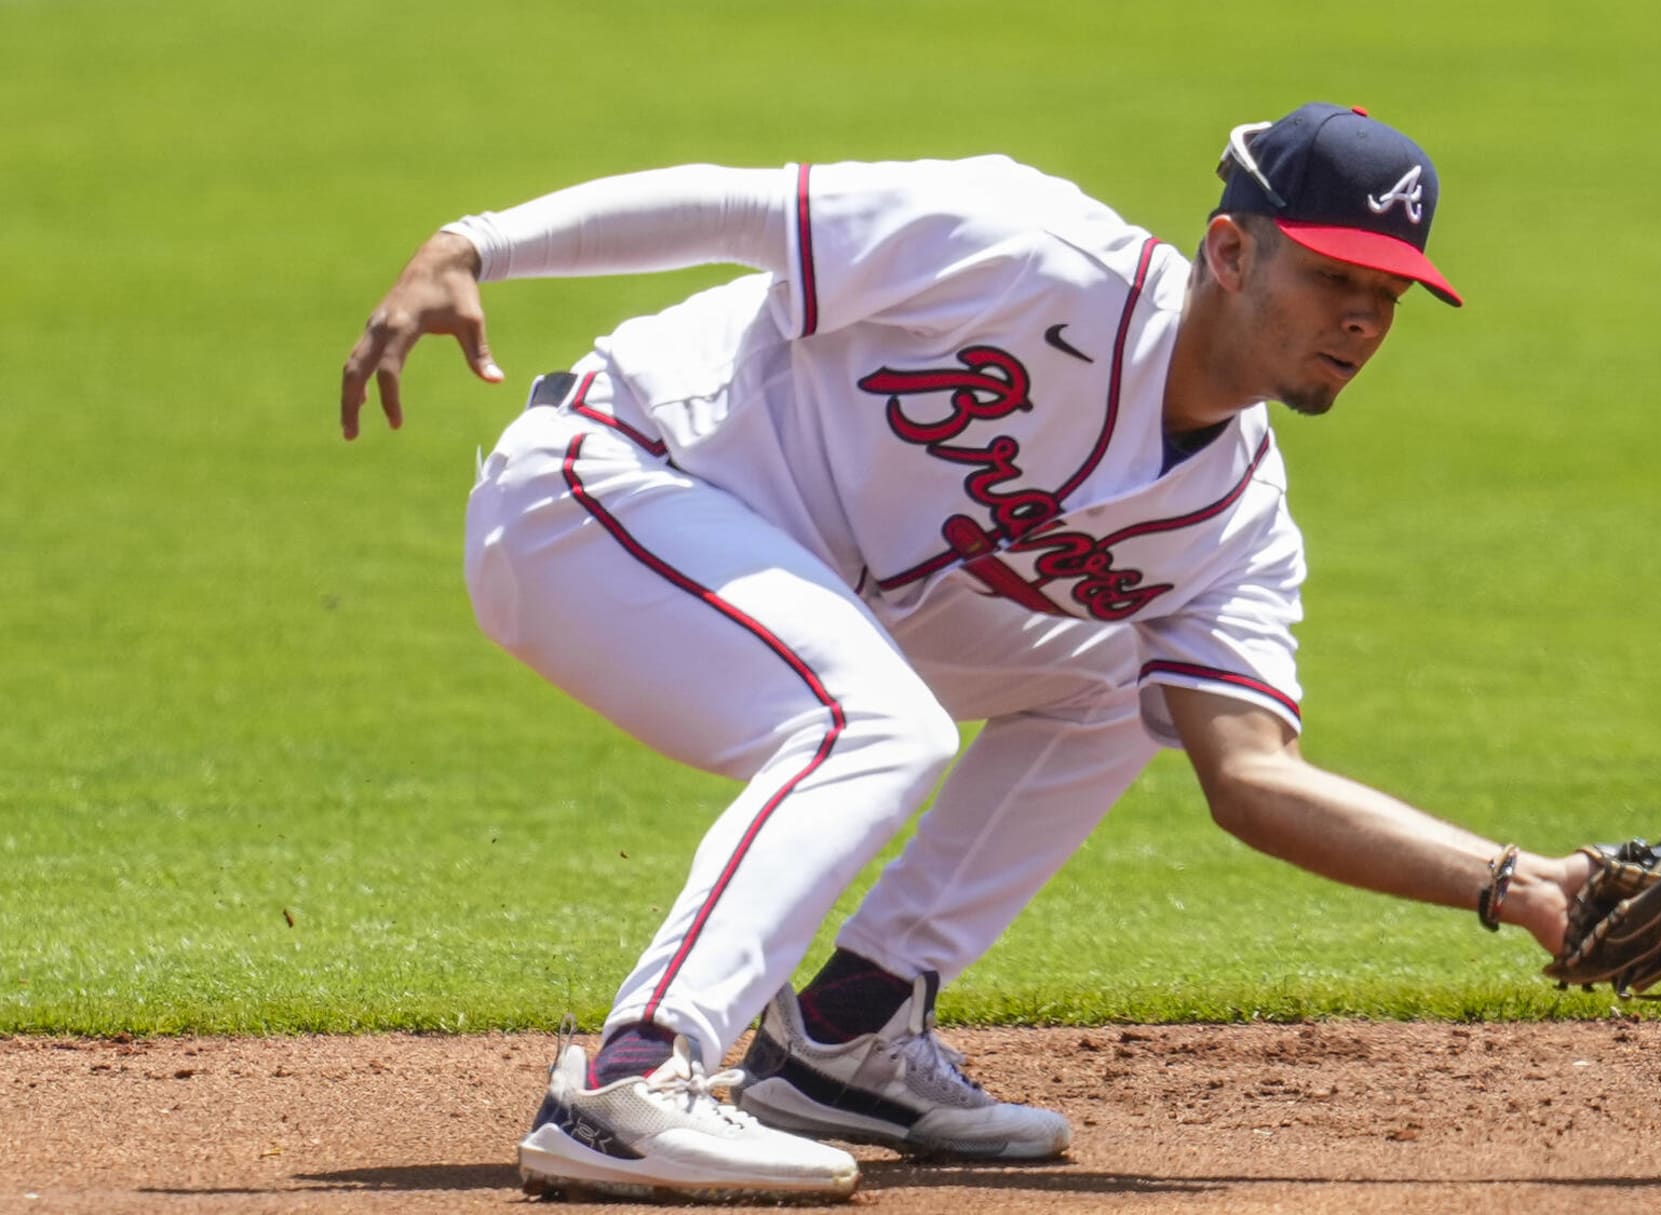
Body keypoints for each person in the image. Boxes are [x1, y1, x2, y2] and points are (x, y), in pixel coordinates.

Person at [341, 101, 1594, 1203]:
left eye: (1389, 297)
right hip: (605, 483)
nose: (1365, 321)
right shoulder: (1026, 249)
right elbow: (740, 210)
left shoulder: (1236, 523)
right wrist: (476, 244)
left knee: (1116, 681)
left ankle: (850, 1035)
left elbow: (1251, 775)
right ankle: (630, 1084)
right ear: (1230, 250)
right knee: (875, 721)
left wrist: (1516, 881)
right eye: (1336, 278)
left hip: (793, 579)